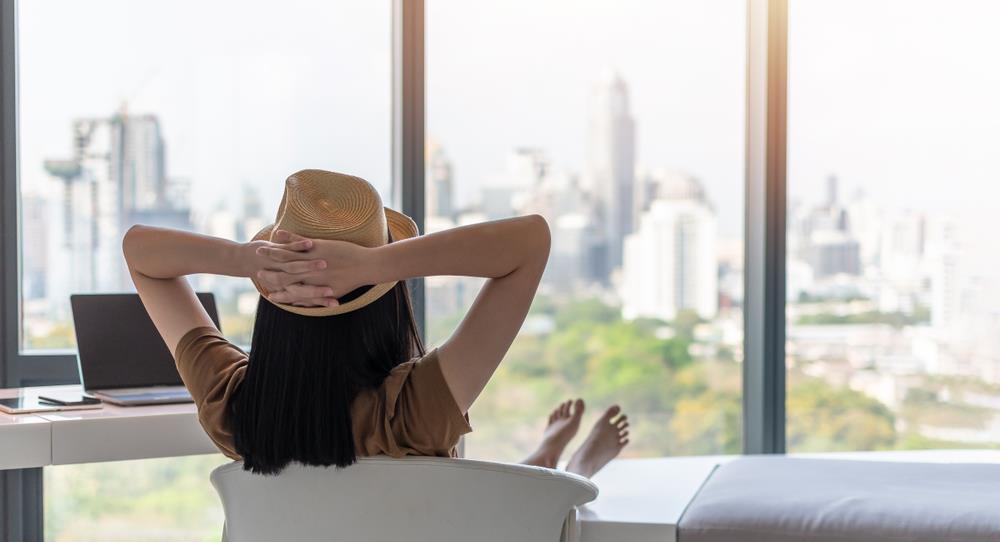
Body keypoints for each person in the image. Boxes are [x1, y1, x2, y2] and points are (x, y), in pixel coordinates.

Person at [124, 169, 628, 478]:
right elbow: (530, 241)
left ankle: (543, 458)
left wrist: (242, 258)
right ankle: (571, 469)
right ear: (384, 303)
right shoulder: (413, 410)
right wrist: (374, 264)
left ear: (271, 294)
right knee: (542, 503)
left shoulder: (233, 404)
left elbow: (140, 253)